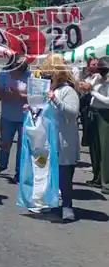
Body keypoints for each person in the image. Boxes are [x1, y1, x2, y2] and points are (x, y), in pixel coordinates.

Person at [40, 54, 80, 221]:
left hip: (64, 142)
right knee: (49, 174)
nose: (44, 76)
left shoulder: (67, 91)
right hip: (49, 140)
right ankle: (52, 203)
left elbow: (72, 113)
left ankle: (67, 206)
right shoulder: (50, 91)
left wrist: (55, 100)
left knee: (64, 176)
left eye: (48, 72)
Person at [0, 55, 29, 182]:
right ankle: (2, 165)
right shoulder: (4, 75)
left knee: (22, 146)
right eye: (19, 62)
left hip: (24, 117)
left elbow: (33, 97)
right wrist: (9, 93)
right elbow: (0, 96)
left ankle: (19, 172)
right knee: (5, 143)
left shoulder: (30, 76)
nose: (22, 64)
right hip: (7, 116)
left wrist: (17, 94)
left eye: (24, 62)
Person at [84, 56, 109, 194]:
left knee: (105, 150)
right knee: (95, 149)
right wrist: (92, 83)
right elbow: (89, 87)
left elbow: (107, 101)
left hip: (105, 115)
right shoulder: (98, 78)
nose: (100, 71)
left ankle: (106, 182)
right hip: (94, 113)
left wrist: (92, 91)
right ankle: (98, 178)